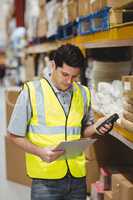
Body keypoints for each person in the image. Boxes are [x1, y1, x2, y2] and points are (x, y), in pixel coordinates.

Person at [7, 44, 113, 200]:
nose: (69, 81)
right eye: (65, 74)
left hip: (77, 178)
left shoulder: (83, 93)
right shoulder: (32, 91)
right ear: (53, 65)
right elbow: (13, 135)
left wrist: (97, 127)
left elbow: (81, 131)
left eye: (74, 76)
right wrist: (40, 152)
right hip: (45, 180)